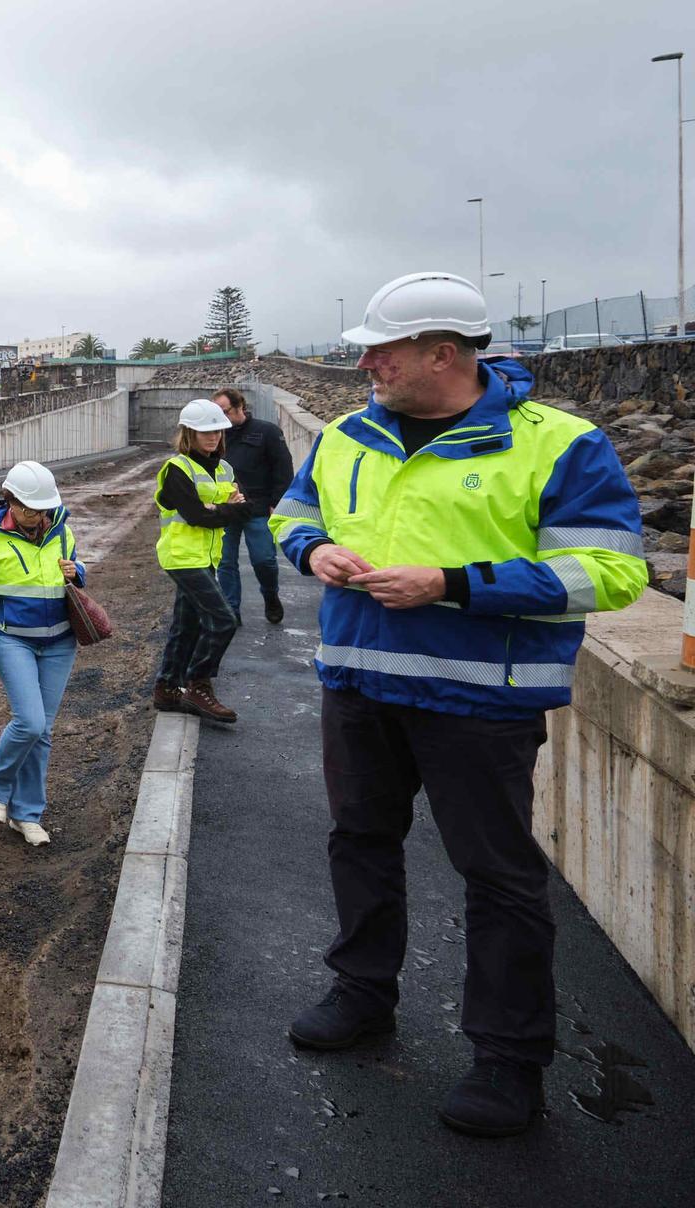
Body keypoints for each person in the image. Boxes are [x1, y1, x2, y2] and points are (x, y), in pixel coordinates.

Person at [270, 271, 647, 1138]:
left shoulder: (560, 444)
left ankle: (510, 1061)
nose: (364, 361)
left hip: (480, 700)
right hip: (360, 681)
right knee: (360, 842)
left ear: (445, 353)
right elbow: (292, 512)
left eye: (383, 349)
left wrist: (454, 584)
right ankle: (363, 993)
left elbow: (612, 571)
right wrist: (315, 549)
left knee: (500, 878)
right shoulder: (349, 437)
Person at [0, 461, 81, 846]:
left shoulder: (62, 531)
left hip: (61, 641)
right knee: (29, 722)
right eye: (28, 508)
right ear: (10, 500)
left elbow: (77, 571)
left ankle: (27, 814)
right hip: (12, 640)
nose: (36, 516)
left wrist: (76, 570)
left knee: (42, 730)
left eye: (42, 508)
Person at [153, 399, 258, 722]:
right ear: (189, 433)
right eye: (204, 432)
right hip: (182, 557)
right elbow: (198, 517)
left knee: (186, 625)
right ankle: (198, 684)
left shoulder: (224, 468)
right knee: (223, 620)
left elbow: (245, 506)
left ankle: (167, 688)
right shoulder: (177, 470)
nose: (212, 437)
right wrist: (225, 510)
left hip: (206, 557)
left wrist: (221, 511)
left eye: (217, 431)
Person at [214, 386, 294, 625]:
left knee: (264, 560)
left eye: (225, 411)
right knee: (225, 563)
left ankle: (270, 596)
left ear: (240, 408)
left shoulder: (267, 432)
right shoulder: (216, 436)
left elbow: (283, 468)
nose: (221, 418)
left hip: (258, 508)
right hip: (226, 509)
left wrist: (276, 503)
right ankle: (231, 612)